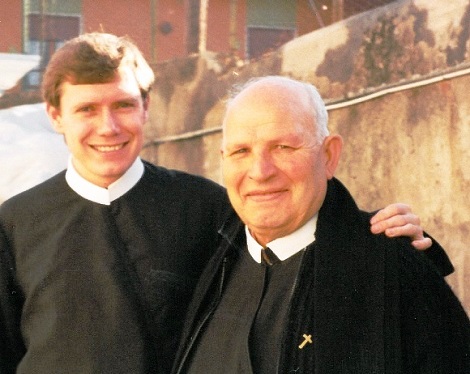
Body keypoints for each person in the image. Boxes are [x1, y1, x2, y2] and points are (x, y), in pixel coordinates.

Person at [0, 33, 449, 373]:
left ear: (146, 108)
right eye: (86, 110)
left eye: (122, 105)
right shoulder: (14, 224)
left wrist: (388, 231)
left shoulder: (209, 208)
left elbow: (297, 215)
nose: (108, 127)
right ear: (55, 116)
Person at [172, 76, 470, 374]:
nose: (260, 172)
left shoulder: (391, 270)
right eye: (241, 151)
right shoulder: (209, 262)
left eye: (283, 147)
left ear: (329, 155)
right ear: (223, 160)